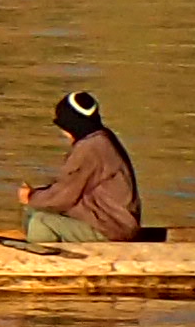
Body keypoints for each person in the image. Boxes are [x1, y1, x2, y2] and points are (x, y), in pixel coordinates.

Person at [17, 89, 142, 246]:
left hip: (110, 228)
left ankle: (43, 265)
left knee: (41, 222)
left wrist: (30, 197)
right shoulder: (101, 139)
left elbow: (64, 196)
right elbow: (69, 187)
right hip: (98, 217)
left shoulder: (90, 148)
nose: (63, 133)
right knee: (34, 210)